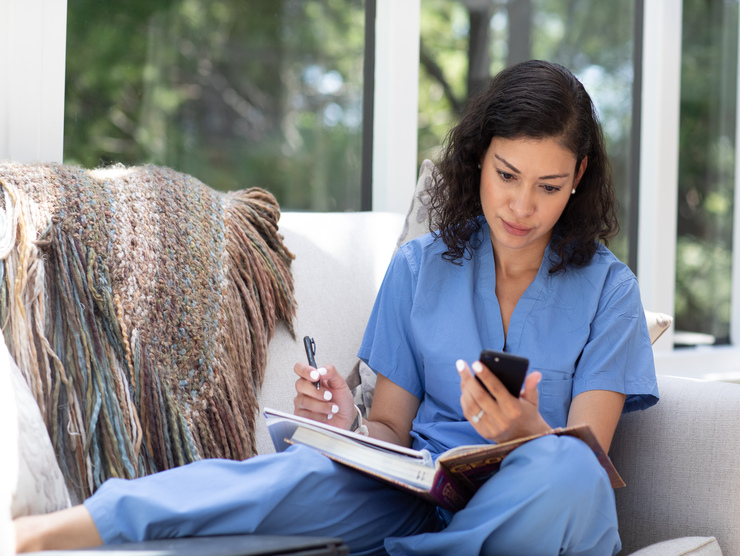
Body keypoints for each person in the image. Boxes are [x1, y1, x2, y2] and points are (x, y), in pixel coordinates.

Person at [14, 60, 658, 555]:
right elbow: (389, 432)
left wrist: (522, 432)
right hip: (420, 494)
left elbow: (588, 455)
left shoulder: (610, 292)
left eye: (548, 186)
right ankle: (57, 530)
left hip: (538, 503)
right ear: (479, 161)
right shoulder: (421, 267)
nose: (522, 206)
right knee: (294, 475)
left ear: (577, 181)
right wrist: (348, 423)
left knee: (567, 468)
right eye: (506, 175)